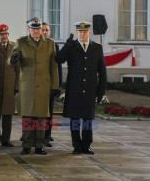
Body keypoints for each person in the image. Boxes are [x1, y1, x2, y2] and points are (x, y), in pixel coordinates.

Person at [9, 18, 59, 155]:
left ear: (41, 30)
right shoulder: (21, 42)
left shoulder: (50, 44)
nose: (36, 31)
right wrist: (13, 59)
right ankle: (26, 144)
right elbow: (13, 56)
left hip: (44, 84)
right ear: (29, 29)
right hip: (27, 85)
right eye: (33, 29)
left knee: (41, 116)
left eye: (38, 29)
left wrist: (55, 85)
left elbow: (54, 67)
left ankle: (39, 145)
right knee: (28, 116)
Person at [57, 22, 107, 155]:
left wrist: (101, 92)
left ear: (89, 33)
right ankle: (76, 145)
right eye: (80, 32)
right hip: (74, 89)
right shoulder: (71, 47)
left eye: (85, 32)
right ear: (77, 33)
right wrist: (66, 46)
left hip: (90, 89)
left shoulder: (97, 48)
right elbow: (59, 59)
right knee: (74, 119)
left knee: (87, 119)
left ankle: (86, 145)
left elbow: (102, 72)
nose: (82, 34)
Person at [0, 24, 19, 148]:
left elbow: (18, 68)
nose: (4, 36)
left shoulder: (14, 47)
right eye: (2, 34)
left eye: (6, 34)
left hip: (9, 86)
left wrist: (17, 86)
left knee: (7, 115)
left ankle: (6, 139)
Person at [41, 22, 63, 147]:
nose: (45, 32)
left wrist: (58, 84)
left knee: (49, 112)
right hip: (38, 84)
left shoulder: (54, 45)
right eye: (42, 30)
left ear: (49, 32)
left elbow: (57, 66)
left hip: (49, 84)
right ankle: (28, 133)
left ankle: (47, 135)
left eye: (47, 30)